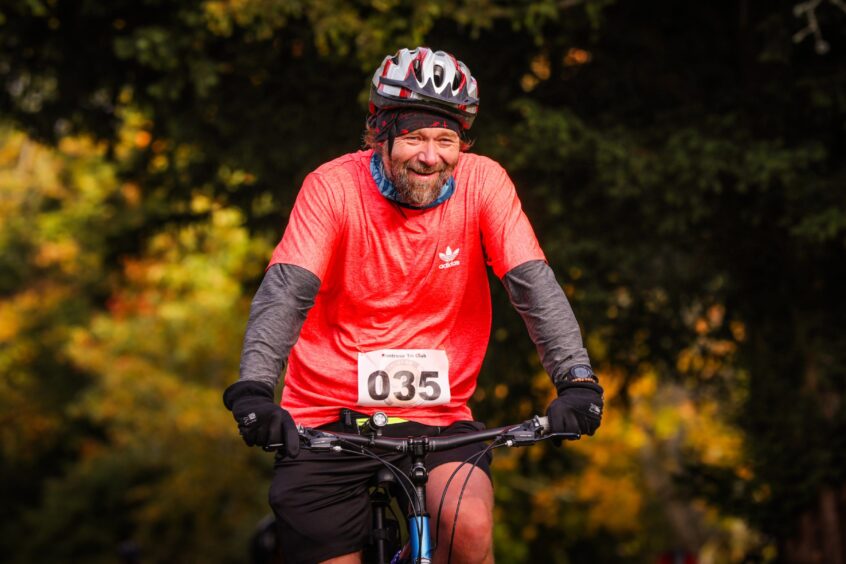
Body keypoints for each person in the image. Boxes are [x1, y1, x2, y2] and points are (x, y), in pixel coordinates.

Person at [223, 46, 604, 564]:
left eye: (446, 140)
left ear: (462, 144)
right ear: (381, 135)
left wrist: (576, 379)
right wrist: (255, 388)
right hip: (326, 419)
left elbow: (534, 287)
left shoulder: (484, 182)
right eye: (415, 138)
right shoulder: (332, 188)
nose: (431, 156)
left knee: (470, 531)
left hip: (440, 417)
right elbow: (285, 293)